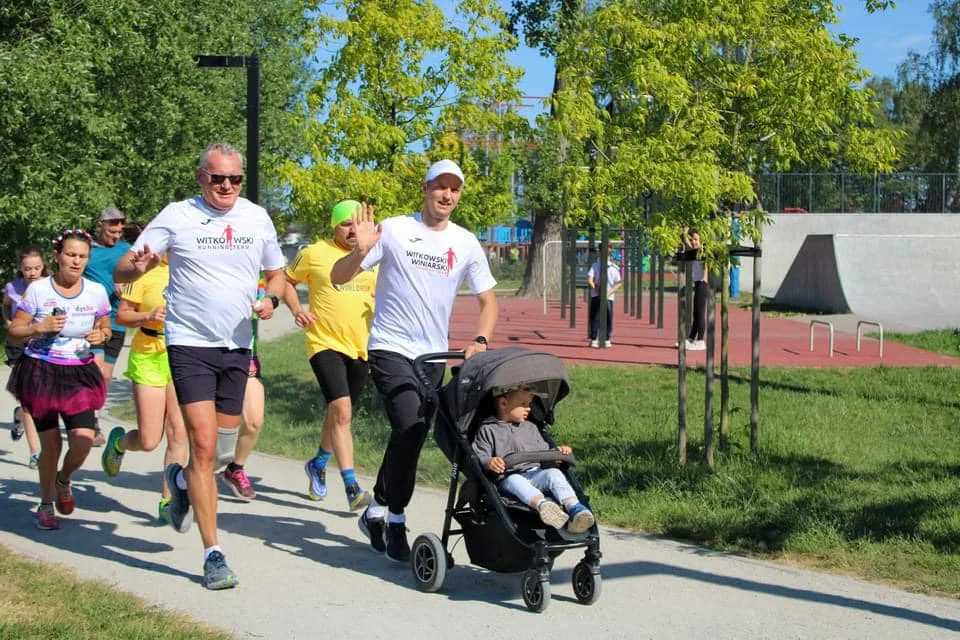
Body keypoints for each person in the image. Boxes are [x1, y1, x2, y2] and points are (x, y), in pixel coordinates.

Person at [114, 141, 287, 590]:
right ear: (200, 177)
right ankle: (214, 553)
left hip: (236, 345)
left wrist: (270, 298)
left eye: (234, 178)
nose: (226, 186)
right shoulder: (177, 215)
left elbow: (278, 274)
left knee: (222, 453)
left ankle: (179, 479)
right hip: (189, 344)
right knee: (205, 446)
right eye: (217, 178)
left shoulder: (256, 217)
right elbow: (122, 271)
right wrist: (137, 266)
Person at [331, 159, 498, 563]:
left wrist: (480, 339)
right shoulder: (396, 230)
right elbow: (339, 276)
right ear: (425, 189)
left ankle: (376, 508)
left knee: (414, 432)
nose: (447, 195)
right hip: (389, 346)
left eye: (454, 189)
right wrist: (361, 252)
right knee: (408, 423)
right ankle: (395, 519)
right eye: (440, 187)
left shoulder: (465, 242)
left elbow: (488, 300)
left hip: (433, 354)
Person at [6, 229, 111, 530]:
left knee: (83, 440)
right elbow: (15, 330)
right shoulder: (39, 290)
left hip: (79, 372)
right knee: (50, 446)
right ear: (57, 256)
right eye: (70, 255)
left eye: (82, 256)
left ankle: (64, 480)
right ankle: (46, 502)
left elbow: (105, 326)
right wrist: (40, 327)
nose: (76, 261)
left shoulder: (96, 291)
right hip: (42, 371)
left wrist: (100, 334)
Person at [285, 200, 376, 512]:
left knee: (339, 414)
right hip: (323, 343)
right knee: (342, 412)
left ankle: (319, 463)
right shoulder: (314, 252)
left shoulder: (371, 256)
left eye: (356, 224)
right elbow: (286, 281)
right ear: (333, 226)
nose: (351, 230)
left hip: (360, 346)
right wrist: (297, 309)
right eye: (344, 224)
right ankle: (351, 486)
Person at [100, 256, 188, 524]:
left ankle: (168, 501)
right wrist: (148, 316)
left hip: (182, 353)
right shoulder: (144, 270)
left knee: (178, 432)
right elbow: (122, 315)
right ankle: (119, 442)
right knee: (150, 440)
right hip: (149, 353)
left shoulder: (193, 265)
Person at [472, 384, 595, 534]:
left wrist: (556, 454)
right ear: (503, 403)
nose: (529, 409)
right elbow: (479, 456)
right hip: (509, 476)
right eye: (523, 404)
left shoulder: (530, 427)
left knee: (553, 474)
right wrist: (490, 462)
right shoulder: (488, 430)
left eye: (529, 404)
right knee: (516, 480)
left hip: (536, 473)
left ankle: (575, 509)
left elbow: (543, 452)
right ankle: (544, 506)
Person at [85, 206, 132, 446]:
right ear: (100, 225)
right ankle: (91, 424)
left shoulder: (126, 251)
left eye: (119, 230)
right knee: (97, 370)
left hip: (117, 322)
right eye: (112, 229)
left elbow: (139, 278)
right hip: (92, 322)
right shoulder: (87, 251)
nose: (116, 234)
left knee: (106, 377)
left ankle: (91, 415)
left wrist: (127, 287)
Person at [217, 277, 267, 501]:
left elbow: (283, 283)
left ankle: (234, 468)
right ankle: (195, 472)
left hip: (244, 355)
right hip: (203, 354)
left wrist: (270, 303)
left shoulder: (257, 279)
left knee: (254, 421)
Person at [3, 247, 46, 468]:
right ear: (21, 268)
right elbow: (6, 307)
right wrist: (9, 323)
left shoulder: (49, 286)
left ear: (43, 267)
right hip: (18, 345)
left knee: (42, 399)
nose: (32, 272)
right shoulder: (12, 287)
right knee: (29, 401)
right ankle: (35, 451)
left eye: (37, 268)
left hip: (42, 345)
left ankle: (18, 415)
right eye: (28, 268)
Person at [587, 252, 622, 348]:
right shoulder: (595, 265)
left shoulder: (614, 268)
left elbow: (618, 283)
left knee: (608, 317)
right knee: (595, 316)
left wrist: (609, 293)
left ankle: (607, 338)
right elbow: (590, 279)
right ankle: (594, 338)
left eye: (607, 255)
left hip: (608, 297)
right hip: (596, 295)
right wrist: (595, 288)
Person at [686, 229, 708, 351]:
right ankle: (691, 338)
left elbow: (707, 264)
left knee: (700, 312)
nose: (693, 242)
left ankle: (700, 340)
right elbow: (688, 247)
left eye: (696, 239)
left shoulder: (703, 251)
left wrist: (704, 279)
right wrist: (684, 233)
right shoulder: (695, 251)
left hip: (702, 283)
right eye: (692, 239)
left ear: (702, 240)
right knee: (696, 312)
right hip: (698, 282)